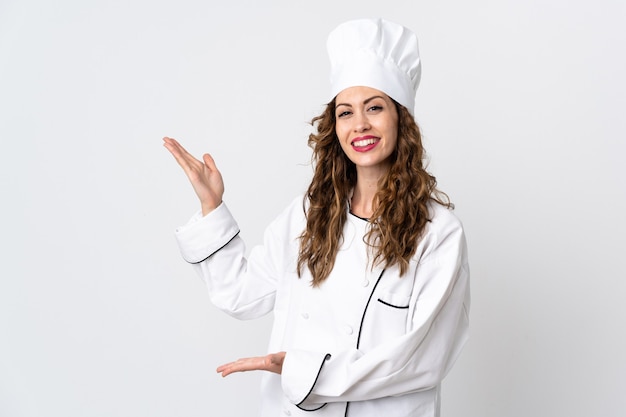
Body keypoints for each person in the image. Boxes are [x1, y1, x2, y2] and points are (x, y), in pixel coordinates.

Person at [163, 18, 470, 417]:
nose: (359, 124)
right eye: (345, 112)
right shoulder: (309, 214)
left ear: (401, 119)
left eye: (374, 107)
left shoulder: (438, 233)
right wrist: (212, 206)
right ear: (334, 126)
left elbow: (422, 359)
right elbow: (241, 293)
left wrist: (302, 371)